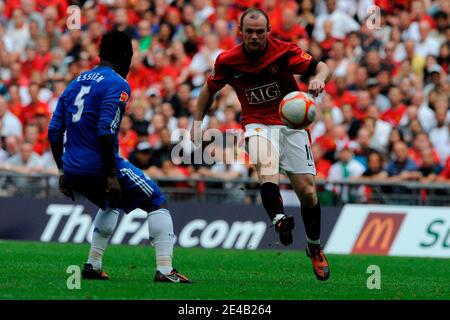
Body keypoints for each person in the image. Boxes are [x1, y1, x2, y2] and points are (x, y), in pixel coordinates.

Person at [191, 8, 331, 281]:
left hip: (291, 125)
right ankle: (279, 219)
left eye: (259, 31)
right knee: (266, 167)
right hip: (257, 124)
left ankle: (314, 247)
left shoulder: (283, 51)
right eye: (249, 32)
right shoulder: (228, 60)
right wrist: (197, 124)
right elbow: (209, 89)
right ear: (240, 32)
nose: (254, 37)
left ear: (268, 31)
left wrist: (319, 79)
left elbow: (320, 66)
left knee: (307, 192)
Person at [48, 30, 191, 284]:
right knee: (157, 200)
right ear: (126, 55)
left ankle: (92, 265)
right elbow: (105, 130)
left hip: (72, 167)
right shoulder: (116, 83)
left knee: (111, 203)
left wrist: (62, 172)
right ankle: (165, 270)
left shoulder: (76, 82)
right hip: (99, 166)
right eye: (131, 56)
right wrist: (111, 175)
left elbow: (54, 130)